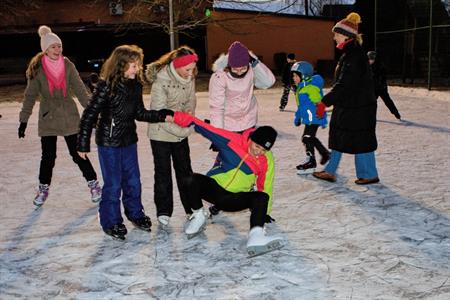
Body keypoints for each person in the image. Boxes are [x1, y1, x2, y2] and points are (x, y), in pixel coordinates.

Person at [77, 45, 174, 240]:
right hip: (109, 142)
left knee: (133, 181)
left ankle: (135, 213)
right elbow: (89, 114)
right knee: (113, 184)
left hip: (129, 140)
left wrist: (161, 115)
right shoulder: (106, 87)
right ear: (120, 66)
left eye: (138, 65)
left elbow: (139, 113)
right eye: (133, 66)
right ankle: (111, 221)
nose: (137, 69)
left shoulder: (135, 85)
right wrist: (82, 143)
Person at [170, 111, 283, 257]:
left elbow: (265, 184)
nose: (259, 152)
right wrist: (174, 116)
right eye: (257, 146)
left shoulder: (267, 160)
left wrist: (265, 212)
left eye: (264, 150)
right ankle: (199, 215)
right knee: (190, 179)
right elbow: (204, 127)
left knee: (261, 197)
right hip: (214, 190)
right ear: (251, 139)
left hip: (234, 199)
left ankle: (256, 236)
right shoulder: (232, 140)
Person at [18, 25, 102, 207]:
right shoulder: (37, 69)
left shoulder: (68, 65)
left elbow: (80, 90)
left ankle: (94, 184)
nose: (58, 49)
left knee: (78, 153)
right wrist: (23, 120)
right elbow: (30, 95)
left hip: (69, 115)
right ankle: (43, 189)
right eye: (53, 46)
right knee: (48, 157)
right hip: (48, 116)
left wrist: (92, 113)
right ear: (45, 49)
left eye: (59, 46)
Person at [312, 13, 380, 185]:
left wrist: (324, 101)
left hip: (359, 108)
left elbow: (344, 84)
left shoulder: (354, 56)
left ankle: (369, 174)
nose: (334, 37)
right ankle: (330, 170)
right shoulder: (350, 54)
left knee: (361, 140)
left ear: (345, 35)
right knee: (340, 136)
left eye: (336, 34)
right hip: (352, 106)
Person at [145, 46, 198, 227]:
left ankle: (191, 208)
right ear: (177, 65)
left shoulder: (189, 78)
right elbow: (159, 115)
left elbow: (191, 100)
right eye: (187, 69)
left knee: (185, 172)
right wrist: (184, 131)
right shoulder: (161, 81)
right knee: (163, 173)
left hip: (180, 132)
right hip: (161, 134)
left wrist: (189, 113)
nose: (190, 73)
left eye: (193, 69)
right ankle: (164, 210)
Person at [209, 41, 275, 133]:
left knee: (247, 147)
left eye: (243, 68)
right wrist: (218, 134)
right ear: (229, 65)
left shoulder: (252, 69)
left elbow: (267, 82)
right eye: (235, 69)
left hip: (248, 120)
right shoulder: (219, 77)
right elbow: (216, 107)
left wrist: (255, 63)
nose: (239, 72)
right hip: (228, 124)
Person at [291, 61, 330, 174]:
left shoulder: (311, 87)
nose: (293, 78)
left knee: (307, 138)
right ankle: (322, 155)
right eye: (293, 75)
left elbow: (319, 102)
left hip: (315, 118)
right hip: (309, 118)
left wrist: (321, 115)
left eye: (295, 75)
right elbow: (301, 107)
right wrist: (297, 118)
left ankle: (312, 161)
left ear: (304, 75)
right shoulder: (301, 88)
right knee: (308, 138)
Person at [367, 51, 401, 120]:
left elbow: (383, 76)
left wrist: (382, 84)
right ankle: (370, 116)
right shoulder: (368, 66)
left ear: (375, 58)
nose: (370, 60)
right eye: (369, 59)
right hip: (374, 88)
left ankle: (396, 113)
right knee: (371, 103)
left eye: (371, 58)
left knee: (387, 101)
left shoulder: (380, 65)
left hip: (381, 88)